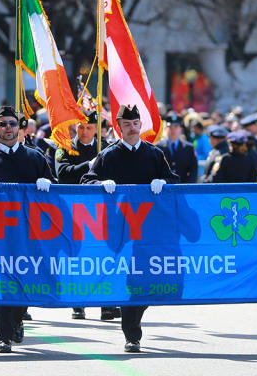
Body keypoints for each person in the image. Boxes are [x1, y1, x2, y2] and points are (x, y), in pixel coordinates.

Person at [81, 104, 179, 353]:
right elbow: (86, 180)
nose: (132, 128)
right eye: (127, 124)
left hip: (149, 230)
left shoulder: (154, 154)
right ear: (119, 127)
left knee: (148, 282)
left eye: (135, 124)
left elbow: (174, 180)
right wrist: (101, 183)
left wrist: (163, 181)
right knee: (131, 281)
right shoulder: (108, 155)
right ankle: (132, 334)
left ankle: (133, 320)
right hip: (119, 230)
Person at [0, 106, 55, 353]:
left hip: (28, 233)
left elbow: (55, 191)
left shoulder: (36, 158)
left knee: (24, 280)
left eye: (12, 124)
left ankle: (17, 320)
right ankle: (3, 335)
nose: (8, 128)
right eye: (2, 124)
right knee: (2, 283)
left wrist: (47, 183)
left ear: (19, 128)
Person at [54, 110, 118, 321]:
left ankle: (105, 303)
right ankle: (78, 302)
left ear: (97, 129)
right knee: (77, 255)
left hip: (100, 209)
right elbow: (63, 173)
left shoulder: (106, 148)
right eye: (81, 127)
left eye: (89, 128)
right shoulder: (65, 146)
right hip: (74, 208)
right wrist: (88, 166)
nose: (84, 132)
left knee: (102, 255)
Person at [155, 112, 198, 184]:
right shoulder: (158, 147)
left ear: (180, 129)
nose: (173, 130)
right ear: (166, 129)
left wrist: (189, 187)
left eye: (176, 127)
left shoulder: (189, 148)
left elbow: (193, 171)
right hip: (164, 188)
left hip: (183, 187)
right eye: (170, 127)